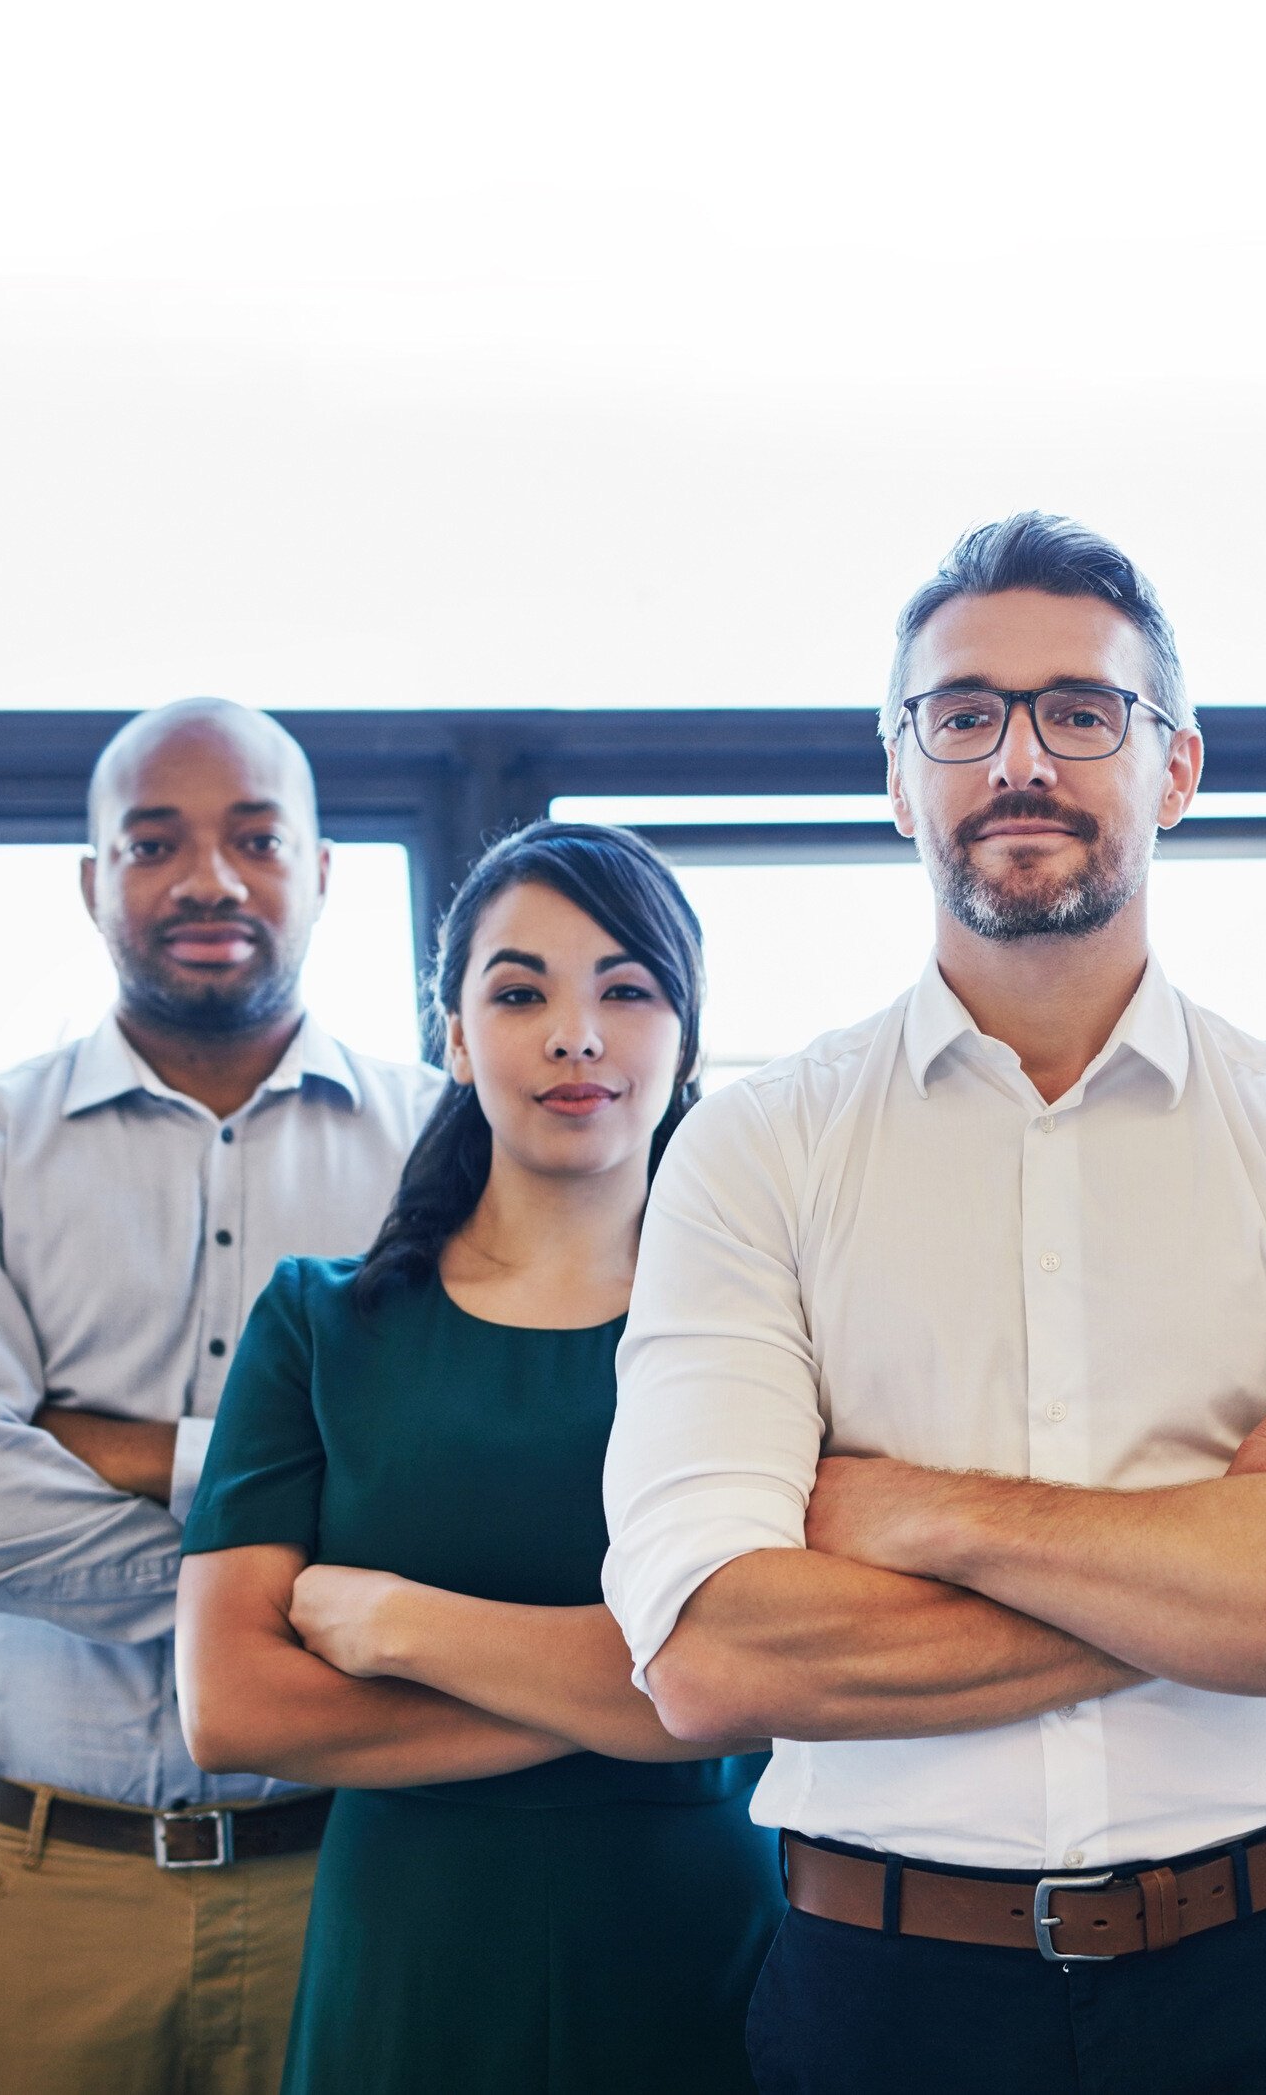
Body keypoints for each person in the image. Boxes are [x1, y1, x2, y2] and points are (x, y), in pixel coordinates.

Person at [591, 513, 1266, 2095]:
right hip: (883, 2001)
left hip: (1264, 1982)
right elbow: (711, 1656)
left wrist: (921, 1516)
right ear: (899, 774)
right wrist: (1231, 1537)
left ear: (1175, 767)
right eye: (964, 716)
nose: (1021, 756)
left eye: (1083, 712)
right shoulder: (752, 1152)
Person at [0, 697, 444, 2095]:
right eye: (155, 841)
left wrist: (98, 1444)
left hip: (352, 1888)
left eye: (256, 838)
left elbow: (464, 1500)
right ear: (91, 879)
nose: (211, 881)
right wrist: (306, 1566)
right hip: (38, 1896)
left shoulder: (447, 1151)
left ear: (320, 871)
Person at [174, 822, 782, 2092]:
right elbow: (233, 1705)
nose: (576, 1033)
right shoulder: (318, 1324)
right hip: (411, 1954)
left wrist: (401, 1623)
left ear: (683, 1036)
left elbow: (763, 1678)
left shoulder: (772, 1332)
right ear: (451, 1032)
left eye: (627, 988)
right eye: (520, 991)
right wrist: (639, 1701)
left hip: (704, 1946)